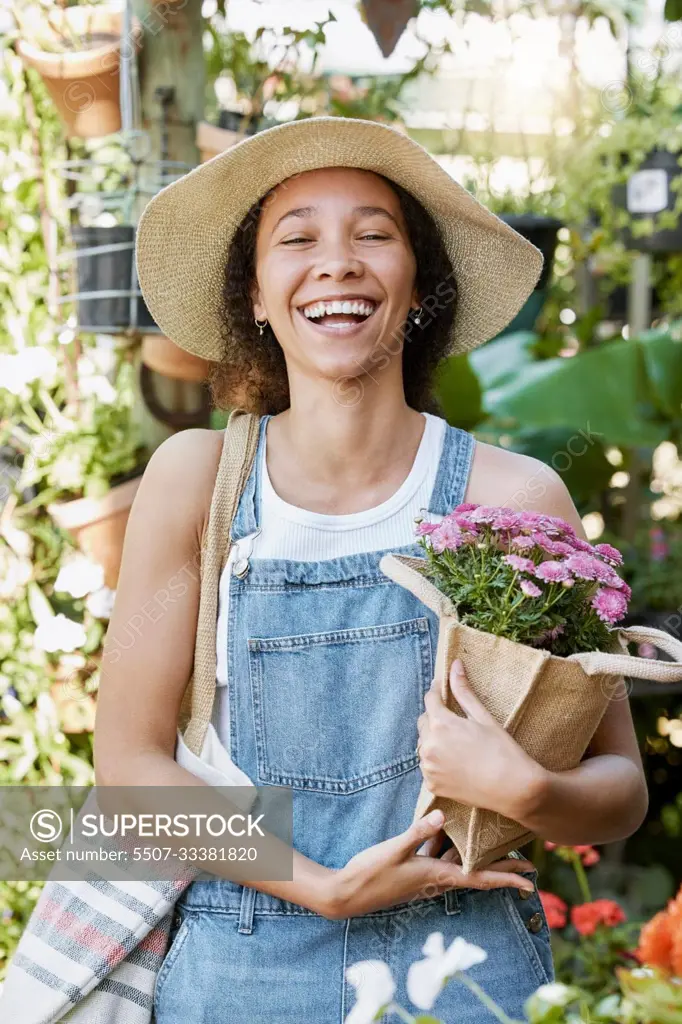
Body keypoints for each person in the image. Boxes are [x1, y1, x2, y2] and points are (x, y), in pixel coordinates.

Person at [95, 117, 648, 1022]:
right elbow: (128, 762)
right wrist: (320, 886)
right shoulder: (196, 482)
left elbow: (620, 791)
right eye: (298, 238)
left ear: (420, 286)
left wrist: (532, 791)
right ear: (257, 297)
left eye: (374, 235)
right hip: (244, 968)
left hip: (468, 966)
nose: (338, 263)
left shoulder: (517, 498)